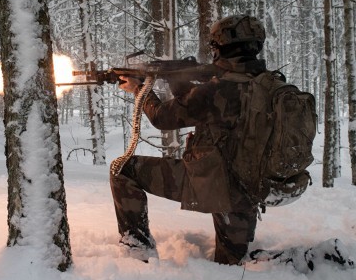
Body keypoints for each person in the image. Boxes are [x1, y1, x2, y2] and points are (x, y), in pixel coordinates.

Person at [111, 14, 267, 265]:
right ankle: (306, 261)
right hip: (249, 189)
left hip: (213, 182)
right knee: (235, 264)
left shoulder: (218, 89)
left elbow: (164, 118)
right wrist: (177, 79)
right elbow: (200, 110)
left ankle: (136, 250)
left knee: (122, 169)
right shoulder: (267, 84)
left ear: (221, 47)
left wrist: (140, 89)